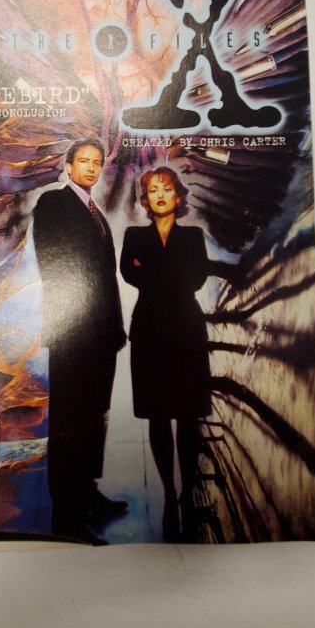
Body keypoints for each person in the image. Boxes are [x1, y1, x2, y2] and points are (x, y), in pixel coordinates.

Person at [33, 138, 127, 545]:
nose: (91, 168)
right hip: (73, 334)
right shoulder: (54, 202)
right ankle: (67, 516)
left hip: (102, 336)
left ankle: (87, 493)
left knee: (93, 418)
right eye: (83, 161)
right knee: (70, 423)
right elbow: (57, 267)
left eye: (97, 162)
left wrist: (115, 329)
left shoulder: (96, 212)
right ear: (68, 166)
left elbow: (106, 276)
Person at [120, 166, 211, 541]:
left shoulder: (193, 236)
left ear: (178, 195)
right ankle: (170, 494)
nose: (159, 195)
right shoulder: (134, 235)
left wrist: (152, 269)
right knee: (157, 415)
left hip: (187, 330)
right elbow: (129, 273)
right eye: (152, 190)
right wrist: (168, 271)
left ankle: (188, 490)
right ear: (145, 199)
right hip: (149, 332)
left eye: (166, 188)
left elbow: (197, 278)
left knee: (188, 415)